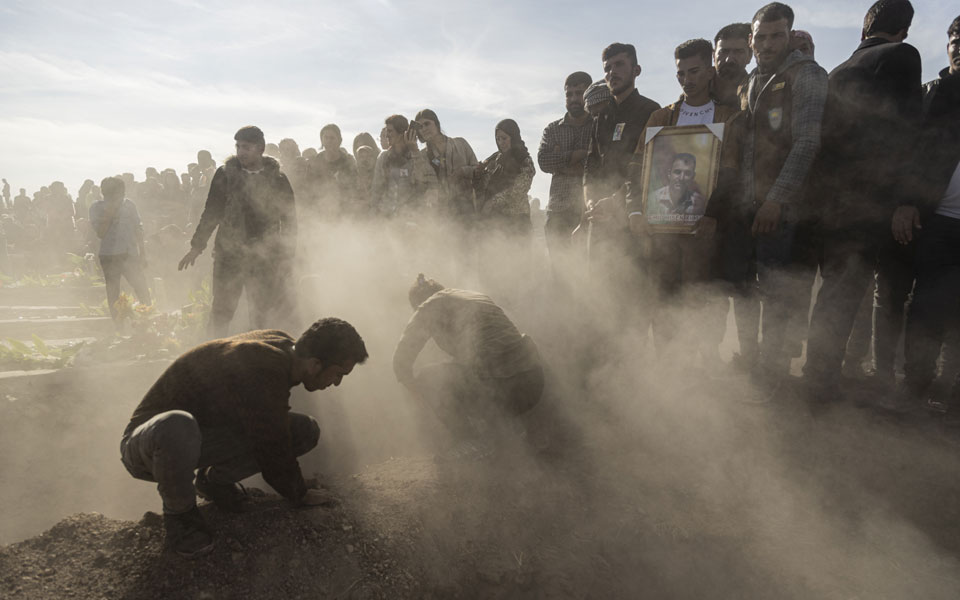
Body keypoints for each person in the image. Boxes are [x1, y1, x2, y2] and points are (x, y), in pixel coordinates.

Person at [120, 318, 368, 558]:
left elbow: (270, 430)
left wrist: (295, 486)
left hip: (198, 436)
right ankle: (181, 518)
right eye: (338, 374)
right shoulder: (264, 365)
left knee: (304, 430)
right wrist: (298, 493)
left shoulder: (284, 350)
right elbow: (272, 445)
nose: (337, 383)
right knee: (178, 424)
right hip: (149, 445)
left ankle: (214, 482)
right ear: (315, 364)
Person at [802, 0, 921, 400]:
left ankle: (819, 373)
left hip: (830, 202)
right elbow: (907, 129)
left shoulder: (838, 70)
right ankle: (822, 383)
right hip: (868, 202)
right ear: (904, 31)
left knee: (834, 291)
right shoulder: (902, 55)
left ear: (863, 28)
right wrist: (907, 199)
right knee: (855, 292)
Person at [722, 3, 827, 389]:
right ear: (751, 40)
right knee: (747, 288)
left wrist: (776, 200)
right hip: (748, 206)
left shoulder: (807, 74)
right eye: (761, 37)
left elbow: (807, 142)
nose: (767, 44)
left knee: (779, 293)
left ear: (789, 36)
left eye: (776, 36)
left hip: (784, 208)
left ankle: (773, 376)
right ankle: (753, 364)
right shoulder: (752, 80)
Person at [625, 38, 739, 369]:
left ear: (710, 71)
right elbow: (636, 169)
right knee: (662, 297)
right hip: (661, 231)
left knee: (704, 297)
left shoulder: (728, 118)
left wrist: (713, 215)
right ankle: (668, 368)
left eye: (694, 71)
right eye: (681, 73)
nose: (687, 80)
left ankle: (706, 366)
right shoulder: (660, 117)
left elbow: (731, 173)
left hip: (704, 232)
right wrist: (635, 210)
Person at [889, 14, 960, 417]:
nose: (959, 46)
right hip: (940, 220)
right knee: (928, 308)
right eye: (955, 39)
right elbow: (912, 152)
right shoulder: (936, 91)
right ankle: (913, 390)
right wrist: (906, 201)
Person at [179, 126, 298, 338]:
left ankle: (259, 351)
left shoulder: (278, 179)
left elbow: (289, 220)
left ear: (260, 148)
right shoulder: (225, 175)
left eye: (246, 147)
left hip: (264, 256)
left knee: (261, 312)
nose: (241, 152)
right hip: (229, 254)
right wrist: (197, 247)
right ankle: (214, 350)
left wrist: (287, 255)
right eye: (238, 146)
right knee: (221, 310)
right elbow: (212, 212)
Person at [393, 274, 543, 443]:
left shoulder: (430, 306)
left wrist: (417, 395)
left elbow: (400, 361)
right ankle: (515, 432)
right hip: (533, 385)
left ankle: (470, 444)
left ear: (417, 305)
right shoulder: (473, 296)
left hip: (503, 389)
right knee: (472, 369)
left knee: (429, 377)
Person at [582, 42, 660, 329]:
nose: (612, 73)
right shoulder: (601, 116)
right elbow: (591, 166)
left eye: (619, 65)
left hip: (631, 218)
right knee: (600, 295)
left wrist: (615, 201)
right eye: (607, 68)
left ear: (636, 70)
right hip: (599, 220)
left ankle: (635, 353)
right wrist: (590, 201)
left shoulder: (651, 112)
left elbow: (647, 167)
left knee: (633, 296)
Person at [537, 71, 593, 285]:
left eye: (579, 93)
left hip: (587, 212)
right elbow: (544, 161)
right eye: (569, 94)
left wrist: (562, 162)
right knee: (559, 275)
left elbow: (598, 164)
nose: (574, 99)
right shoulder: (552, 129)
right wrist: (577, 155)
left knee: (588, 274)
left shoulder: (598, 125)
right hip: (557, 212)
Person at [474, 119, 535, 305]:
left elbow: (519, 189)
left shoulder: (524, 160)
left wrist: (494, 202)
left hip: (516, 223)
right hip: (493, 225)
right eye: (498, 138)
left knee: (515, 272)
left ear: (513, 137)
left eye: (504, 138)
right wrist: (478, 174)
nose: (501, 142)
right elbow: (482, 187)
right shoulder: (493, 160)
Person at [89, 176, 152, 322]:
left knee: (141, 287)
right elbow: (100, 233)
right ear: (105, 193)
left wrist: (143, 253)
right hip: (109, 255)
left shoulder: (129, 205)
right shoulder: (96, 207)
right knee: (113, 292)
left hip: (130, 253)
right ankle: (118, 324)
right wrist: (110, 212)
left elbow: (138, 229)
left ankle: (148, 319)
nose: (120, 196)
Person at [371, 114, 438, 220]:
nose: (387, 135)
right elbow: (376, 189)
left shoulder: (418, 156)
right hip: (387, 217)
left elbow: (429, 183)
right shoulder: (383, 157)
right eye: (386, 131)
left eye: (390, 131)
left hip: (412, 218)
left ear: (402, 133)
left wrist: (414, 150)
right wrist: (375, 214)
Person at [307, 124, 358, 220]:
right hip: (320, 212)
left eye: (332, 138)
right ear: (322, 140)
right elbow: (309, 189)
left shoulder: (347, 161)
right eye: (326, 138)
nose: (329, 141)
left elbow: (354, 188)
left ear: (339, 140)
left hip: (344, 212)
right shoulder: (315, 162)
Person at [713, 23, 753, 109]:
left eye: (738, 52)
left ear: (749, 56)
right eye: (723, 52)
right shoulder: (695, 92)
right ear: (713, 55)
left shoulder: (756, 94)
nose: (729, 59)